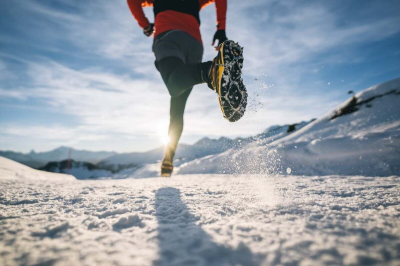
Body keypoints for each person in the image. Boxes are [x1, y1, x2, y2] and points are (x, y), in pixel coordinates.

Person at [127, 0, 247, 177]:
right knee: (177, 105)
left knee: (174, 85)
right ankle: (168, 159)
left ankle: (210, 72)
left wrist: (145, 25)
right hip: (194, 44)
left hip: (168, 36)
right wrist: (221, 28)